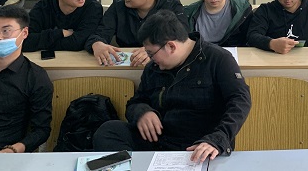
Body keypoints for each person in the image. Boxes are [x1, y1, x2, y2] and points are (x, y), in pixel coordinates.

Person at [92, 10, 251, 161]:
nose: (151, 59)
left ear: (171, 46)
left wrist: (218, 138)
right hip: (159, 140)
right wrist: (142, 112)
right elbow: (136, 101)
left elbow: (240, 101)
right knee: (109, 131)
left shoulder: (218, 59)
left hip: (200, 144)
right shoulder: (154, 68)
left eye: (151, 53)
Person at [0, 6, 53, 153]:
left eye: (6, 31)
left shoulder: (36, 77)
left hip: (4, 151)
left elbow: (41, 130)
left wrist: (13, 150)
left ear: (24, 33)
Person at [85, 0, 186, 66]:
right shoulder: (119, 4)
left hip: (162, 66)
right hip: (127, 66)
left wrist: (152, 50)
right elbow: (100, 33)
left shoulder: (171, 5)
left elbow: (183, 38)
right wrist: (96, 43)